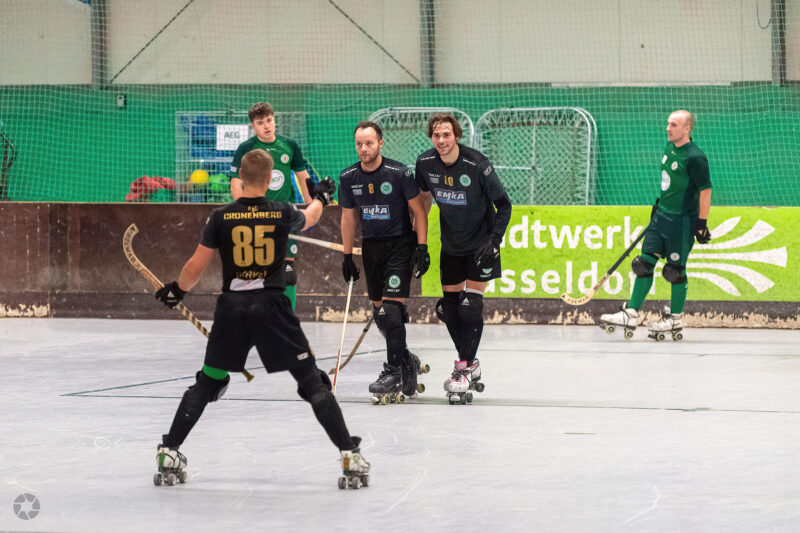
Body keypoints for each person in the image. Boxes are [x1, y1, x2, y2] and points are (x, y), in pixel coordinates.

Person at [153, 149, 369, 488]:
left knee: (208, 382)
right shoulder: (281, 211)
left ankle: (169, 450)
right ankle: (349, 455)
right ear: (270, 179)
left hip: (232, 309)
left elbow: (196, 265)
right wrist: (321, 197)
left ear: (240, 177)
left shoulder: (221, 217)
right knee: (311, 381)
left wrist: (177, 291)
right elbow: (311, 217)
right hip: (272, 307)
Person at [414, 113, 512, 404]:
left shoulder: (477, 164)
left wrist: (494, 240)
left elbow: (504, 205)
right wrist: (418, 242)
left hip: (481, 245)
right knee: (450, 309)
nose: (441, 140)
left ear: (456, 135)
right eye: (436, 135)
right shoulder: (425, 163)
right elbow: (423, 201)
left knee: (471, 307)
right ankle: (470, 363)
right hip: (451, 246)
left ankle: (463, 368)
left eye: (446, 134)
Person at [599, 109, 711, 341]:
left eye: (673, 125)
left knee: (674, 271)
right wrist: (659, 206)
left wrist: (701, 223)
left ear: (687, 128)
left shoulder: (695, 157)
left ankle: (675, 318)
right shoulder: (670, 148)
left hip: (681, 222)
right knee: (643, 264)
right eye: (668, 124)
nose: (667, 128)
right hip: (660, 217)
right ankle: (631, 313)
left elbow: (705, 191)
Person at [339, 121, 430, 404]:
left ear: (380, 142)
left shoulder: (399, 173)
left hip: (400, 245)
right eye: (359, 144)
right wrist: (347, 256)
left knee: (391, 309)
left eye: (369, 143)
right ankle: (406, 361)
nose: (364, 149)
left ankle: (393, 372)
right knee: (381, 314)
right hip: (371, 248)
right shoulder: (348, 177)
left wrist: (422, 246)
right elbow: (348, 217)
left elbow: (419, 211)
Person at [229, 102, 311, 310]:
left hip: (285, 217)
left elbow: (303, 178)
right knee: (256, 273)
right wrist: (246, 210)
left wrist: (312, 205)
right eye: (260, 123)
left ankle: (287, 318)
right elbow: (236, 184)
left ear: (274, 120)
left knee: (287, 272)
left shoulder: (290, 145)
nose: (266, 126)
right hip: (257, 217)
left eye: (269, 120)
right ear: (253, 126)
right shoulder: (246, 148)